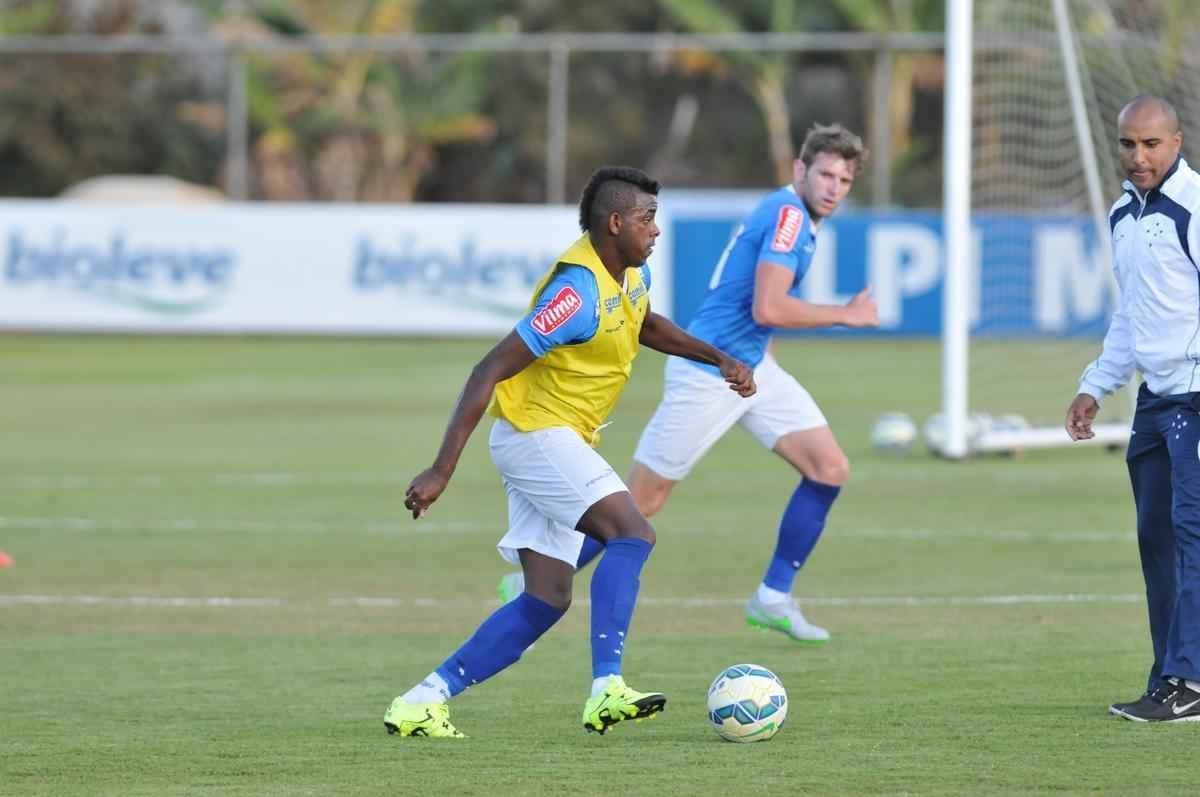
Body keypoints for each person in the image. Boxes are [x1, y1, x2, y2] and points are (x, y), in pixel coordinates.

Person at [387, 166, 756, 738]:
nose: (656, 231)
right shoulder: (575, 291)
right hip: (538, 435)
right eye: (647, 219)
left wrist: (718, 358)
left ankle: (421, 701)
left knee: (545, 600)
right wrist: (442, 469)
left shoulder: (628, 274)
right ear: (615, 223)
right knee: (633, 533)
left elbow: (643, 324)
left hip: (557, 437)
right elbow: (489, 368)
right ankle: (606, 688)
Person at [498, 123, 878, 644]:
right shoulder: (789, 217)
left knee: (829, 468)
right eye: (826, 174)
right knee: (640, 503)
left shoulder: (793, 216)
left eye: (845, 179)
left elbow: (755, 313)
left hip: (753, 368)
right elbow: (770, 305)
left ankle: (772, 597)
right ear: (799, 171)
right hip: (708, 376)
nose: (834, 187)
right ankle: (531, 577)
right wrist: (846, 316)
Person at [1066, 95, 1200, 723]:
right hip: (1153, 402)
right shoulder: (1124, 213)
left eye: (1150, 143)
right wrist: (1096, 385)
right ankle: (1169, 673)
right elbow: (1131, 316)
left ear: (1176, 142)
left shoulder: (1193, 209)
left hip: (1195, 399)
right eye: (1128, 144)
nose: (1138, 155)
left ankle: (1190, 680)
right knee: (1156, 538)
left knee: (1192, 535)